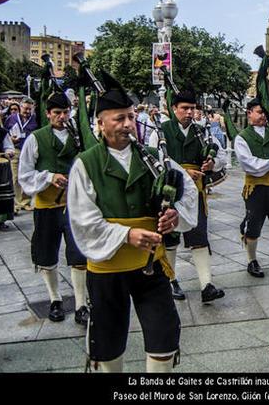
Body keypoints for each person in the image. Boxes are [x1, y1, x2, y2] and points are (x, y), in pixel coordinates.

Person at [68, 72, 198, 373]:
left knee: (164, 334)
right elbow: (83, 220)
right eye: (119, 119)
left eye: (130, 117)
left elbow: (186, 191)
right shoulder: (86, 164)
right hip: (107, 268)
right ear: (100, 124)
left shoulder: (153, 157)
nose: (128, 124)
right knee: (108, 339)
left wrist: (174, 215)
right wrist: (127, 234)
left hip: (150, 264)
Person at [150, 89, 227, 303]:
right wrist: (184, 173)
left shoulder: (202, 131)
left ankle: (206, 285)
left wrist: (212, 164)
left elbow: (221, 156)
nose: (189, 112)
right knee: (171, 237)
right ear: (174, 109)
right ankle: (171, 280)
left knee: (199, 236)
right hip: (171, 191)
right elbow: (154, 161)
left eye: (192, 108)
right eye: (184, 108)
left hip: (196, 193)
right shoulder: (161, 131)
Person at [19, 92, 89, 325]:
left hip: (73, 205)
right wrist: (49, 177)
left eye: (65, 112)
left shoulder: (76, 136)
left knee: (78, 254)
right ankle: (55, 299)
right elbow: (25, 175)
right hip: (47, 205)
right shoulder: (35, 139)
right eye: (57, 113)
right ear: (48, 114)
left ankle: (81, 304)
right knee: (47, 253)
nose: (61, 116)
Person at [234, 97, 269, 278]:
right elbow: (248, 164)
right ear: (249, 113)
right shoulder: (242, 138)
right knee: (253, 226)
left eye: (265, 112)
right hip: (255, 188)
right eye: (260, 112)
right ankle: (252, 260)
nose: (264, 115)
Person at [4, 96, 38, 212]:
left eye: (30, 109)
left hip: (29, 151)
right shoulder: (11, 118)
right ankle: (16, 203)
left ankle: (25, 201)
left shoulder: (34, 119)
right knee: (14, 177)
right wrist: (10, 140)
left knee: (27, 175)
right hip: (16, 149)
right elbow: (5, 133)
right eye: (25, 109)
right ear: (20, 107)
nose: (27, 112)